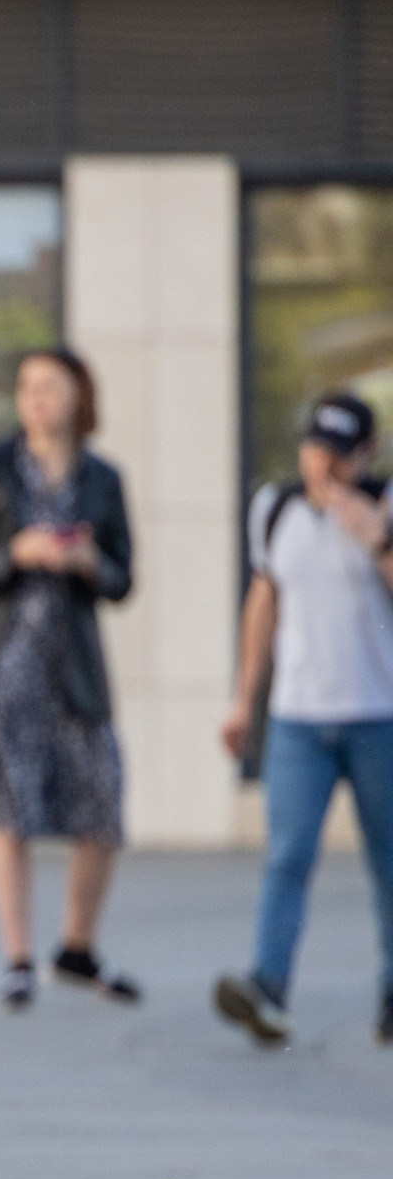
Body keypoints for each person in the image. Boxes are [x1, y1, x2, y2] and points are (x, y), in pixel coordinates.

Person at [0, 347, 139, 1013]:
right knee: (8, 812)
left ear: (79, 395)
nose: (36, 399)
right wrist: (12, 555)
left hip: (73, 669)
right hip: (1, 666)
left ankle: (76, 947)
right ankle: (18, 959)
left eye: (49, 386)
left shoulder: (101, 479)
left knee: (103, 804)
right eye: (26, 386)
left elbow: (123, 577)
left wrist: (87, 561)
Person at [213, 392, 393, 1048]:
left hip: (379, 715)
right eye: (316, 450)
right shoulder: (276, 508)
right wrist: (242, 699)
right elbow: (262, 604)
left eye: (340, 455)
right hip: (298, 718)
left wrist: (377, 538)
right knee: (287, 854)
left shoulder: (385, 504)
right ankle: (267, 986)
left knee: (389, 859)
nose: (325, 466)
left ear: (366, 455)